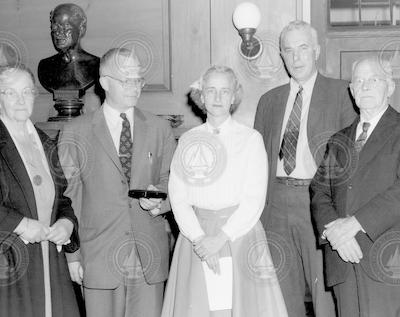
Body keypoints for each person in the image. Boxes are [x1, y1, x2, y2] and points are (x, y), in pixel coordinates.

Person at [162, 65, 288, 317]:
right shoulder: (188, 140)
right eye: (211, 90)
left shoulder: (250, 139)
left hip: (239, 236)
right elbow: (178, 195)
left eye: (224, 91)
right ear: (202, 96)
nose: (217, 98)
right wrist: (199, 240)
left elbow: (254, 198)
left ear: (233, 97)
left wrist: (220, 239)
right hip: (196, 239)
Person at [58, 47, 176, 317]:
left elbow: (171, 182)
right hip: (98, 256)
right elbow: (68, 198)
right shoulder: (75, 132)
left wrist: (161, 202)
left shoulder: (160, 129)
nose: (135, 87)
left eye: (139, 80)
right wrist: (73, 256)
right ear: (104, 82)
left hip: (148, 254)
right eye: (127, 80)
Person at [254, 20, 357, 317]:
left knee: (326, 297)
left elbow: (352, 161)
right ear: (282, 56)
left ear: (316, 51)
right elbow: (256, 162)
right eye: (289, 51)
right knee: (280, 296)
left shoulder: (342, 94)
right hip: (274, 205)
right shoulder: (268, 101)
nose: (296, 57)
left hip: (319, 205)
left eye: (303, 49)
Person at [310, 56, 400, 317]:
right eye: (358, 81)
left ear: (390, 87)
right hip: (343, 259)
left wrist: (355, 223)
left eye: (373, 79)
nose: (365, 86)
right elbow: (319, 191)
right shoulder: (339, 140)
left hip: (386, 260)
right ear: (351, 91)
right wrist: (336, 233)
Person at [0, 64, 80, 317]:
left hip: (49, 260)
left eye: (27, 92)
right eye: (10, 93)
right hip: (8, 261)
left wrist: (67, 224)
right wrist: (21, 224)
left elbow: (63, 199)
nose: (21, 100)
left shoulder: (45, 141)